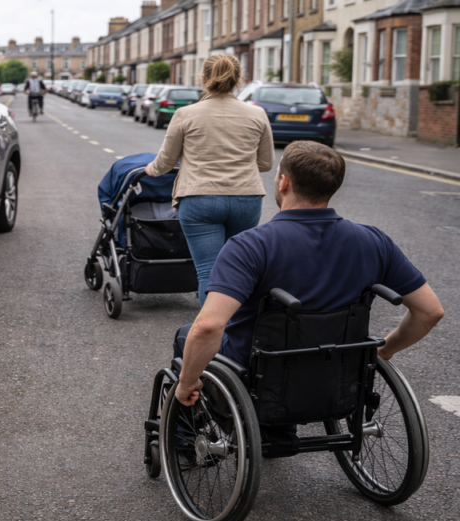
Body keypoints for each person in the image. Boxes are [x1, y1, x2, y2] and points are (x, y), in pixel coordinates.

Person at [172, 141, 444, 408]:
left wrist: (187, 383)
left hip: (255, 374)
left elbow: (208, 327)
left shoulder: (250, 246)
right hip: (338, 370)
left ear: (284, 183)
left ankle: (185, 438)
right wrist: (385, 350)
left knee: (187, 335)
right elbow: (429, 311)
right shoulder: (374, 241)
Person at [145, 54, 274, 305]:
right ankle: (237, 332)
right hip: (246, 199)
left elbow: (166, 163)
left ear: (203, 78)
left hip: (199, 199)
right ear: (239, 80)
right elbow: (266, 163)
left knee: (209, 271)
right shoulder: (257, 115)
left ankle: (212, 339)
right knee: (238, 268)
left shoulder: (185, 114)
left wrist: (152, 168)